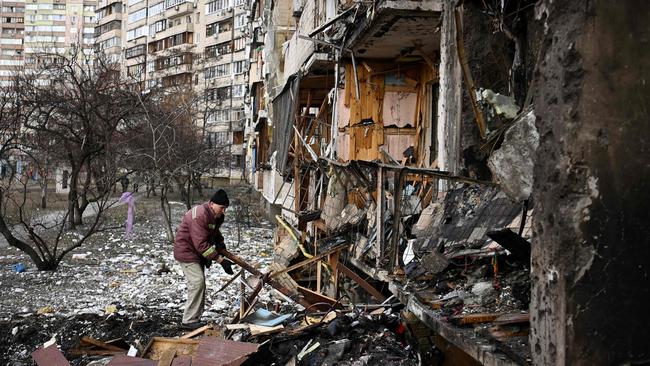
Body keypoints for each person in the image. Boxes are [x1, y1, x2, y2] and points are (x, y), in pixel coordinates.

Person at [173, 189, 235, 329]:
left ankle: (195, 318)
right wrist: (221, 260)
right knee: (197, 282)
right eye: (222, 208)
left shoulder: (216, 215)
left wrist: (220, 242)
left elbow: (213, 230)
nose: (224, 211)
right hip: (187, 251)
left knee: (199, 284)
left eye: (225, 208)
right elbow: (201, 244)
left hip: (197, 253)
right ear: (212, 204)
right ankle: (188, 321)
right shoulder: (200, 215)